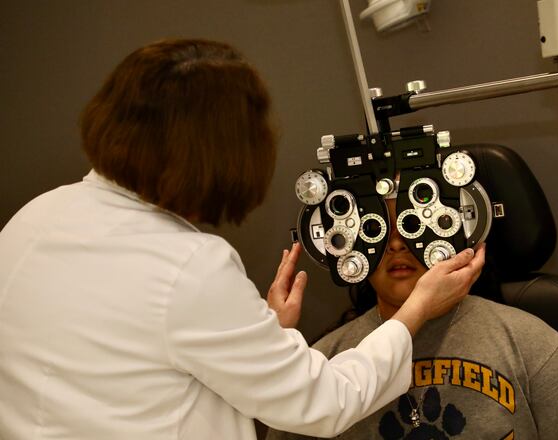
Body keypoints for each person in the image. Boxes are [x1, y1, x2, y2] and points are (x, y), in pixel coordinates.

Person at [0, 39, 485, 440]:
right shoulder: (189, 266)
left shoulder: (32, 221)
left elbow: (125, 357)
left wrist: (253, 333)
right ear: (222, 157)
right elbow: (326, 402)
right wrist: (417, 309)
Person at [267, 197, 558, 440]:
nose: (396, 245)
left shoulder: (530, 343)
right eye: (378, 230)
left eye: (412, 225)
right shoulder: (325, 361)